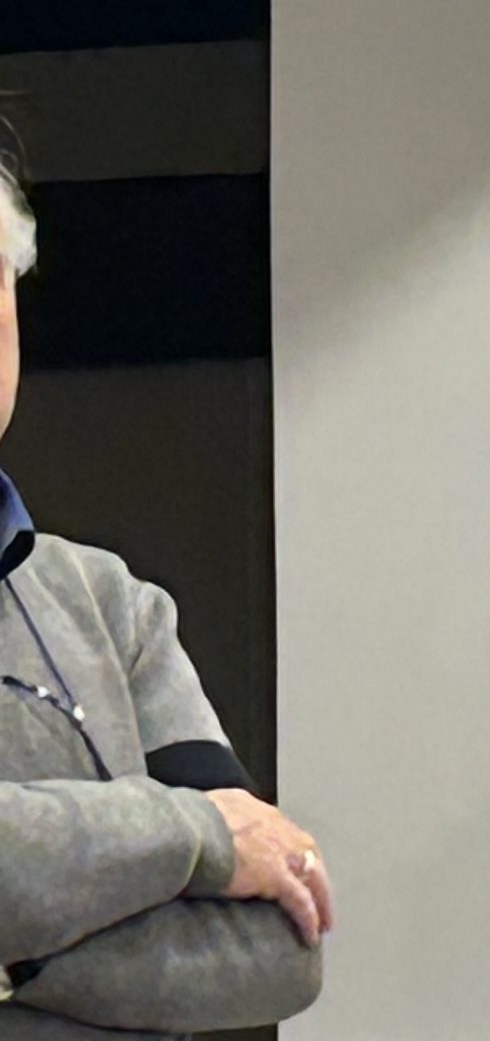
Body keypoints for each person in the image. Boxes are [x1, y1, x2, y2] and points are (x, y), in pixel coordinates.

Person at [0, 153, 330, 1039]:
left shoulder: (114, 608)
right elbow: (230, 838)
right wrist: (193, 838)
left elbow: (282, 940)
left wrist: (17, 960)